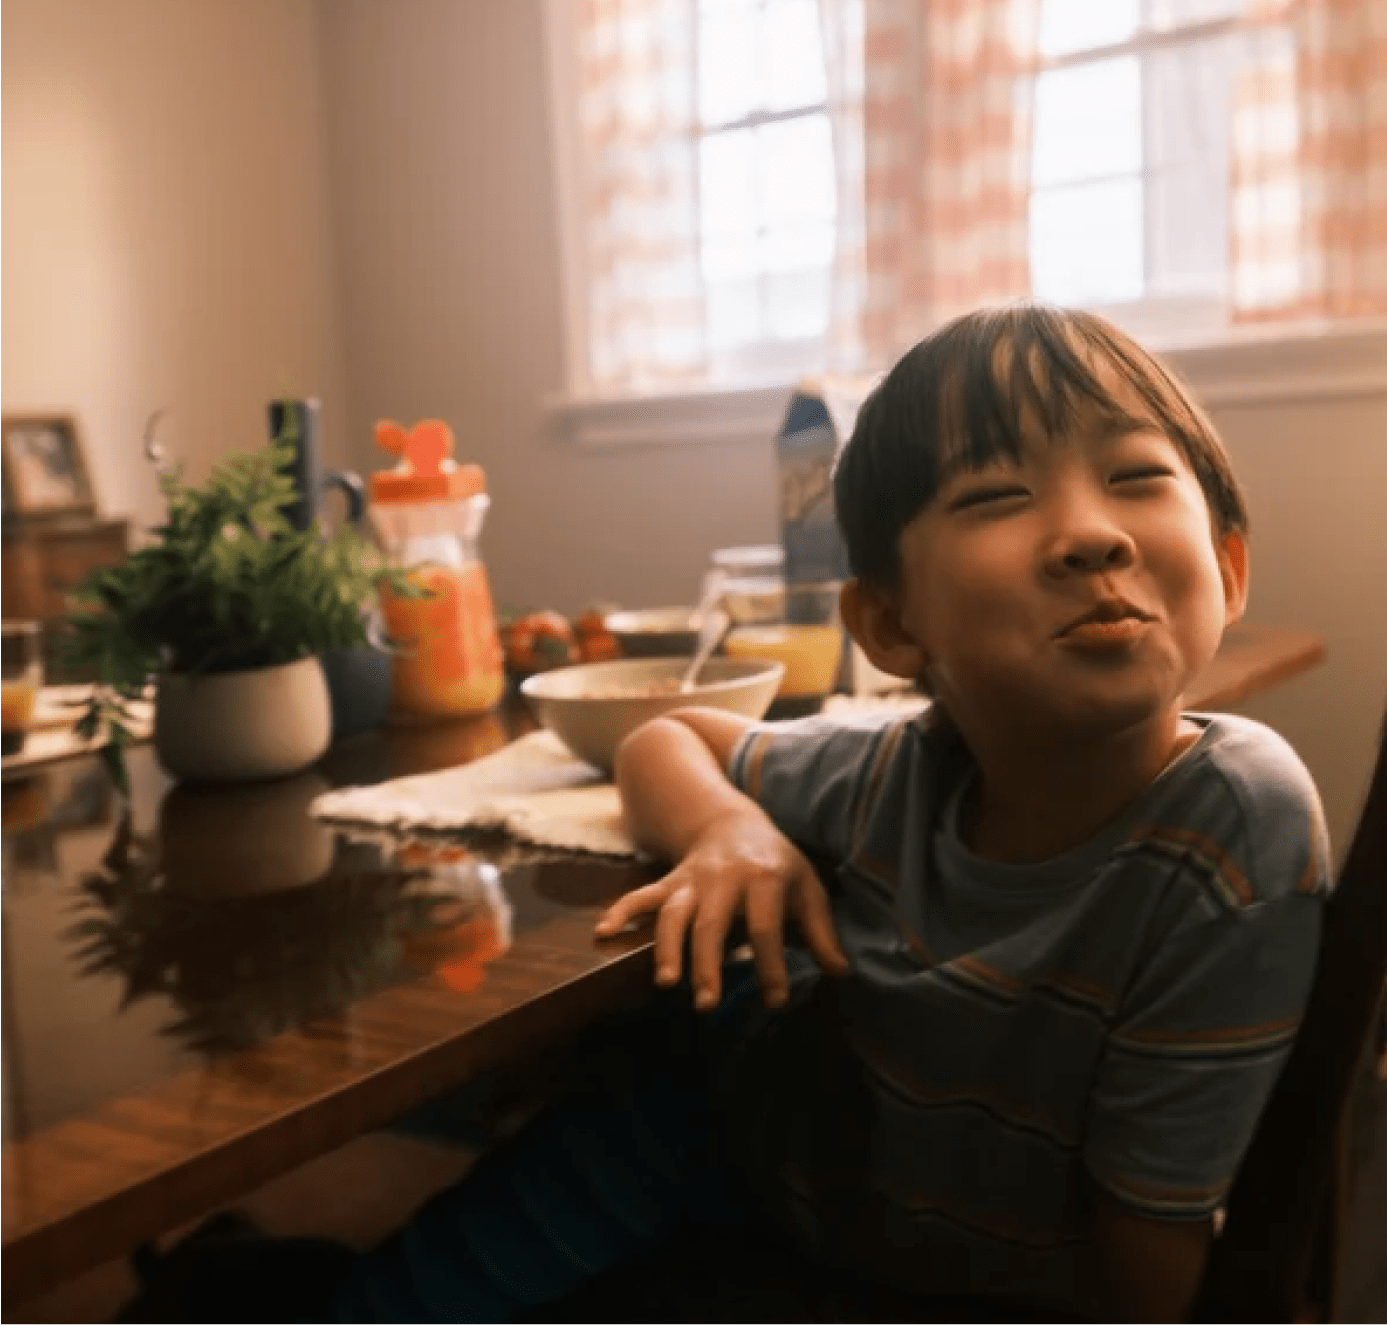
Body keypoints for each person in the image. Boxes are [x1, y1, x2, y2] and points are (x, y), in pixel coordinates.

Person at [116, 304, 1331, 1325]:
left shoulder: (1232, 819)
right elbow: (663, 735)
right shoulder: (891, 770)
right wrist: (727, 830)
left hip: (846, 1246)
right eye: (999, 493)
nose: (1089, 532)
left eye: (1135, 476)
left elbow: (1152, 1280)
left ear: (1225, 566)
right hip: (723, 1143)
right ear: (893, 627)